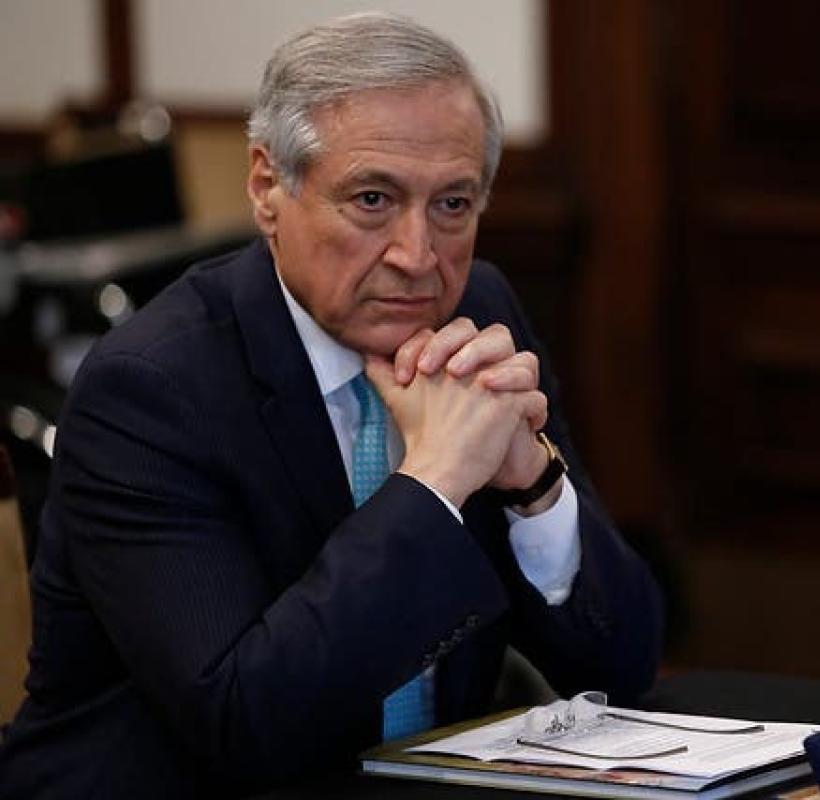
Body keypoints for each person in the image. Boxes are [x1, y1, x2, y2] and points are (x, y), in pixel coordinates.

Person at [0, 13, 663, 798]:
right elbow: (245, 723)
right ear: (267, 189)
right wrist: (437, 479)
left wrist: (533, 486)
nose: (417, 256)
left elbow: (622, 662)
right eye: (372, 199)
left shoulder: (477, 313)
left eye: (453, 205)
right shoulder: (150, 390)